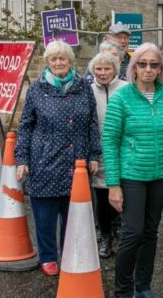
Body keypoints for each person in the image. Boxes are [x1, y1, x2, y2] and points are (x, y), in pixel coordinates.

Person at [102, 42, 163, 298]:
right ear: (133, 67)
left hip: (161, 175)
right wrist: (113, 184)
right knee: (133, 232)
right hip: (132, 176)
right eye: (142, 63)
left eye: (154, 64)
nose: (148, 69)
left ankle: (143, 288)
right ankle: (122, 293)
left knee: (150, 232)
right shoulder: (122, 98)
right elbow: (110, 142)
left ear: (161, 68)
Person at [16, 39, 100, 276]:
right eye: (53, 59)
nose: (58, 62)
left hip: (78, 161)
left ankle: (70, 254)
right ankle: (48, 256)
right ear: (47, 62)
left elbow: (93, 123)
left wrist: (94, 154)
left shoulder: (84, 87)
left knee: (74, 215)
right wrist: (21, 159)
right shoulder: (36, 89)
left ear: (71, 61)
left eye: (62, 58)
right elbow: (25, 126)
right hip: (45, 160)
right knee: (45, 216)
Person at [89, 49, 126, 258]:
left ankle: (120, 231)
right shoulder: (88, 90)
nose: (102, 72)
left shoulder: (126, 88)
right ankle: (105, 236)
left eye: (107, 68)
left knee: (122, 193)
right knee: (102, 196)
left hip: (123, 150)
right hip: (99, 150)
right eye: (98, 68)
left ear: (115, 70)